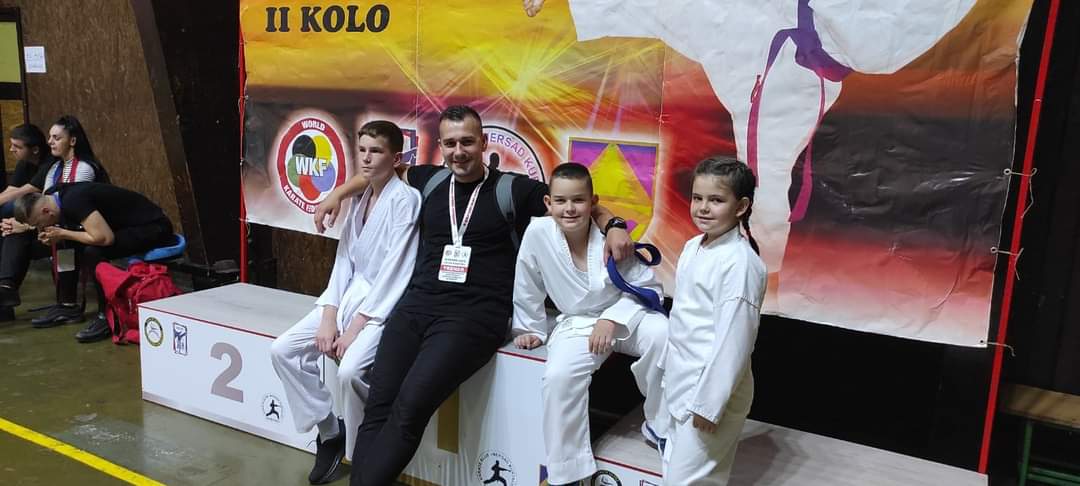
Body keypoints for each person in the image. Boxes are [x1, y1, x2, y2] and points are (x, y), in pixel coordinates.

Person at [523, 0, 976, 285]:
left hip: (794, 66)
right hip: (756, 30)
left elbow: (879, 47)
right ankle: (755, 270)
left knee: (764, 190)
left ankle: (757, 275)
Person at [312, 105, 634, 486]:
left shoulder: (511, 189)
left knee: (409, 408)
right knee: (378, 406)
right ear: (441, 146)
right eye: (450, 144)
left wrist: (615, 225)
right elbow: (379, 170)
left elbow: (575, 198)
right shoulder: (430, 180)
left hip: (474, 318)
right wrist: (337, 194)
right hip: (416, 307)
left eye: (467, 142)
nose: (458, 151)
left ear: (483, 143)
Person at [269, 121, 421, 485]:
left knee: (350, 372)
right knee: (283, 350)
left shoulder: (406, 200)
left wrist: (354, 328)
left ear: (395, 158)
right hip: (348, 296)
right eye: (362, 150)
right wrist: (329, 315)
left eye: (376, 151)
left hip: (382, 306)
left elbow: (397, 270)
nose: (366, 158)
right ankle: (329, 430)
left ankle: (365, 454)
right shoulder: (362, 197)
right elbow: (343, 262)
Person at [511, 162, 669, 485]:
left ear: (593, 202)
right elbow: (527, 282)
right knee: (558, 376)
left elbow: (650, 289)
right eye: (561, 201)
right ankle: (568, 471)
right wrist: (530, 327)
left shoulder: (612, 238)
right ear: (548, 203)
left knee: (663, 334)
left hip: (624, 316)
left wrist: (611, 319)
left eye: (578, 200)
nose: (569, 208)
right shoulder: (538, 233)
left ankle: (660, 425)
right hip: (578, 324)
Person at [661, 156, 766, 484]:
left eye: (716, 200)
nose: (703, 208)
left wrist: (710, 404)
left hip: (710, 393)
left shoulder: (740, 264)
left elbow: (735, 340)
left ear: (741, 206)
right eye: (698, 198)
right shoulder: (693, 247)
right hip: (681, 382)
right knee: (672, 472)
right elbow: (684, 320)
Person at [13, 181, 172, 343]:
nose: (40, 228)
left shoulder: (74, 201)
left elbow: (104, 238)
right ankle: (67, 305)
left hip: (153, 226)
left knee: (93, 251)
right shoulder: (53, 196)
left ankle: (106, 316)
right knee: (63, 243)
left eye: (38, 224)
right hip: (120, 227)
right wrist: (59, 236)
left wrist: (64, 233)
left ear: (46, 211)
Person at [0, 115, 109, 326]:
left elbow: (70, 212)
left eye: (56, 138)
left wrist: (26, 226)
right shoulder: (55, 168)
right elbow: (46, 206)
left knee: (59, 240)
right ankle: (6, 291)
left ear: (73, 141)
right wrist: (22, 225)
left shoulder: (84, 168)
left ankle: (68, 305)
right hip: (62, 225)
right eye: (50, 137)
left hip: (85, 231)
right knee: (11, 233)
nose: (49, 141)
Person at [0, 124, 51, 320]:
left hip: (44, 219)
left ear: (35, 149)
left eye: (17, 146)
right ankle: (5, 292)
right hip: (27, 220)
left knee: (8, 214)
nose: (11, 149)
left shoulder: (50, 163)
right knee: (6, 227)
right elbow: (10, 191)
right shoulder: (24, 163)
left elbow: (24, 191)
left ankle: (6, 293)